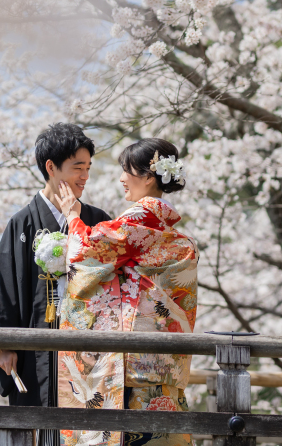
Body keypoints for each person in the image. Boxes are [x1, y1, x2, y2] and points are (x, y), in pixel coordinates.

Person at [54, 138, 198, 446]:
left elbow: (88, 252)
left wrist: (71, 217)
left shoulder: (138, 219)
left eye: (126, 170)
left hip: (133, 361)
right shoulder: (173, 232)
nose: (121, 179)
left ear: (148, 177)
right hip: (164, 358)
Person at [0, 123, 112, 446]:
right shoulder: (22, 224)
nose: (84, 176)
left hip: (87, 353)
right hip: (35, 352)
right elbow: (4, 287)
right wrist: (4, 344)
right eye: (77, 168)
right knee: (36, 429)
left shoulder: (96, 221)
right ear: (51, 168)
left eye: (88, 168)